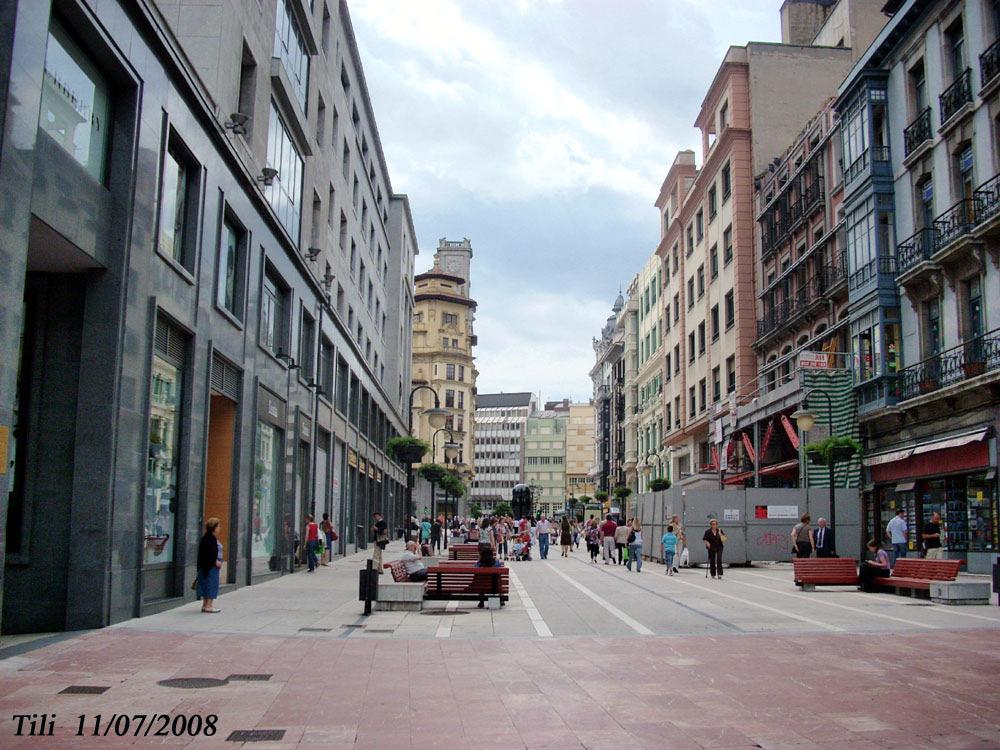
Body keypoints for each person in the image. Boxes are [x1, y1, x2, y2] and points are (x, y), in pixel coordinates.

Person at [196, 518, 223, 613]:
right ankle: (208, 606)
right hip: (210, 567)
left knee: (208, 585)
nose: (220, 528)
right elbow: (209, 553)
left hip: (207, 567)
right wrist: (216, 562)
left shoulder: (207, 538)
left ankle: (205, 605)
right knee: (210, 585)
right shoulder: (209, 539)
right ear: (214, 528)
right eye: (218, 526)